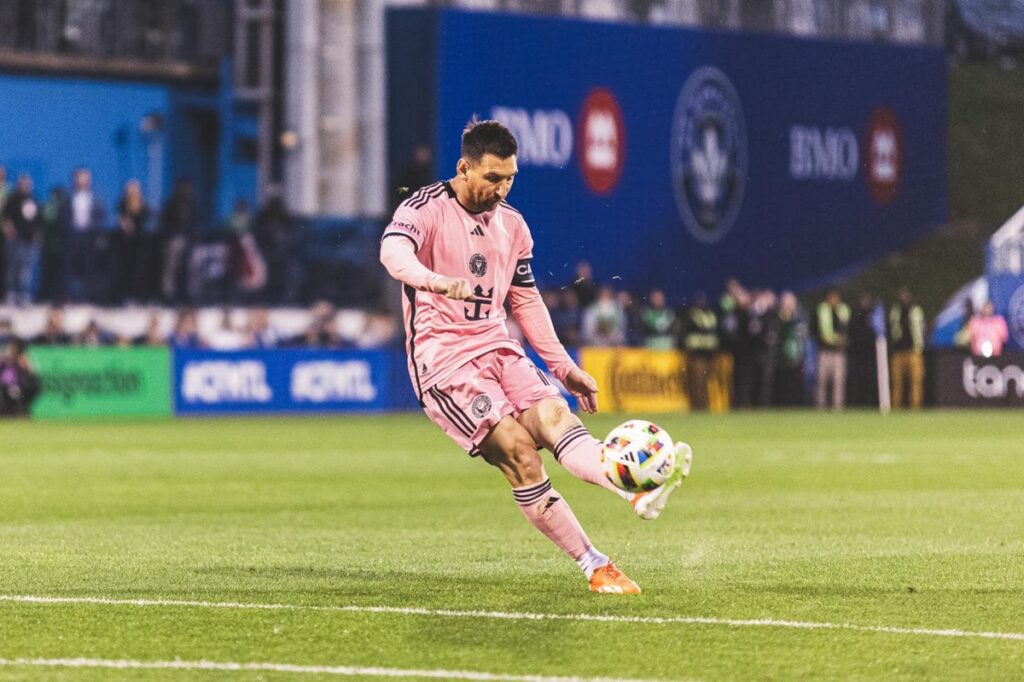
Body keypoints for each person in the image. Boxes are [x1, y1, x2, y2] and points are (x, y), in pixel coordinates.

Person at [379, 120, 692, 594]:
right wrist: (433, 280)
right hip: (445, 365)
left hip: (499, 348)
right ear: (464, 168)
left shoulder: (513, 225)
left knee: (556, 418)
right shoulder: (424, 208)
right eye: (491, 178)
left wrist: (564, 367)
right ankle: (595, 565)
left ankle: (634, 486)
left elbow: (525, 301)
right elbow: (392, 253)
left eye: (510, 178)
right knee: (522, 454)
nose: (501, 189)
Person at [2, 173, 43, 305]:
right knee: (13, 267)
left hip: (29, 240)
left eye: (27, 183)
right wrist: (8, 229)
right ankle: (11, 294)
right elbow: (6, 217)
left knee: (27, 269)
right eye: (22, 183)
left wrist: (38, 235)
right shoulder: (13, 199)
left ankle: (25, 295)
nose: (25, 186)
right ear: (19, 184)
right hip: (15, 238)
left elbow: (39, 220)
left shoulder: (34, 199)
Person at [888, 287, 925, 409]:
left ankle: (914, 407)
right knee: (896, 382)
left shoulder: (916, 310)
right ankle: (895, 407)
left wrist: (920, 345)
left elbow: (921, 328)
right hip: (898, 351)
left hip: (913, 351)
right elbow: (892, 330)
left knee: (916, 382)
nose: (903, 298)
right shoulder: (895, 311)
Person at [115, 179, 152, 303]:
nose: (133, 192)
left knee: (140, 270)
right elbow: (119, 218)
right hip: (125, 243)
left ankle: (140, 295)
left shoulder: (143, 205)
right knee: (125, 269)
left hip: (140, 242)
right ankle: (125, 295)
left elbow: (147, 217)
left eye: (135, 190)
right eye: (130, 190)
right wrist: (123, 223)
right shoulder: (121, 205)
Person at [682, 292, 718, 410]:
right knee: (698, 382)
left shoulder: (709, 314)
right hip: (697, 353)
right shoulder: (692, 314)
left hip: (709, 353)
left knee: (706, 382)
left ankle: (705, 405)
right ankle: (698, 406)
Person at [814, 289, 849, 410]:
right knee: (822, 381)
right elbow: (821, 331)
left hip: (838, 352)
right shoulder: (822, 310)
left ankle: (837, 406)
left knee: (838, 381)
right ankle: (820, 406)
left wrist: (840, 340)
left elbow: (845, 329)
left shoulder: (843, 310)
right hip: (824, 351)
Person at [0, 337, 40, 417]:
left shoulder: (23, 359)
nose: (12, 349)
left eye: (14, 347)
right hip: (4, 385)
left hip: (17, 386)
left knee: (10, 393)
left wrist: (18, 361)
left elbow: (30, 374)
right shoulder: (5, 359)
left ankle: (15, 412)